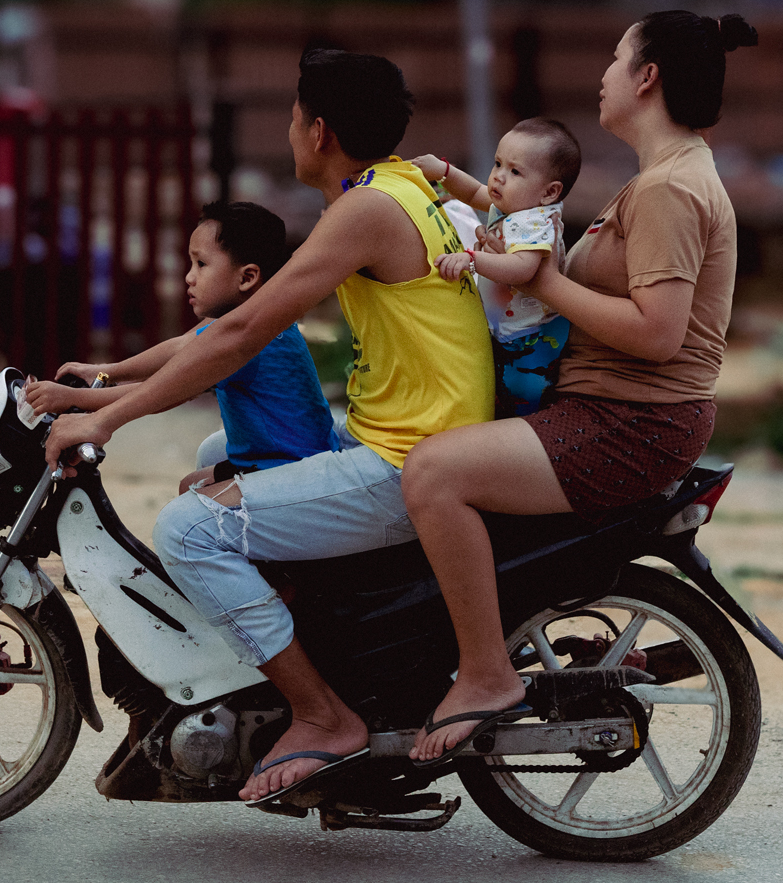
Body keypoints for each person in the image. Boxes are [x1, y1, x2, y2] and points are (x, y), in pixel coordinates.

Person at [44, 48, 493, 801]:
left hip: (407, 460)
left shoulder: (366, 208)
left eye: (292, 117)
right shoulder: (401, 185)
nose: (288, 130)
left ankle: (321, 714)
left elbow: (236, 333)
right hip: (414, 436)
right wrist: (110, 386)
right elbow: (226, 338)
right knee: (218, 450)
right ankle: (297, 630)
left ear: (318, 131)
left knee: (187, 529)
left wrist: (108, 415)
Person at [400, 11, 757, 765]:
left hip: (630, 421)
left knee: (432, 470)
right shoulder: (663, 178)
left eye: (615, 56)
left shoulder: (667, 189)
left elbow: (658, 331)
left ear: (647, 76)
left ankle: (487, 676)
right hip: (613, 408)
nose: (603, 72)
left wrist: (545, 282)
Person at [23, 201, 341, 493]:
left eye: (201, 265)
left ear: (247, 278)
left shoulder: (250, 340)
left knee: (188, 522)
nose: (189, 277)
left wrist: (74, 398)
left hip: (292, 469)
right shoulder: (248, 320)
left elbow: (166, 391)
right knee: (189, 485)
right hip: (275, 457)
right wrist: (107, 370)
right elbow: (179, 348)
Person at [410, 118, 583, 416]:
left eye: (515, 171)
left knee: (522, 394)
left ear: (550, 192)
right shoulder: (515, 206)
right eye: (498, 164)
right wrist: (444, 172)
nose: (499, 177)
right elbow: (475, 192)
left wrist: (472, 259)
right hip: (508, 329)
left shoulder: (537, 223)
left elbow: (522, 269)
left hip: (532, 337)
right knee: (495, 389)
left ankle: (525, 436)